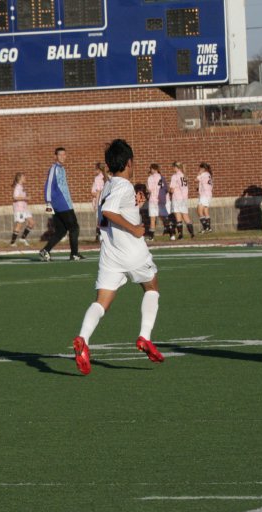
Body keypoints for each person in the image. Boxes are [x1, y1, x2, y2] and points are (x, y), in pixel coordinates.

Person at [72, 139, 164, 376]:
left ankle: (83, 339)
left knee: (101, 302)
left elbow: (113, 209)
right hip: (131, 250)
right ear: (129, 162)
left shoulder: (108, 186)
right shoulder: (124, 186)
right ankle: (145, 336)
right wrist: (134, 229)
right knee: (151, 286)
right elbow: (109, 211)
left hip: (110, 254)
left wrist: (135, 206)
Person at [39, 147, 84, 261]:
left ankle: (45, 250)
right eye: (60, 155)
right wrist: (48, 202)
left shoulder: (62, 169)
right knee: (74, 227)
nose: (63, 156)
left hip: (65, 203)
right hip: (61, 204)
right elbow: (48, 185)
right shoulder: (54, 169)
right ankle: (74, 254)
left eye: (64, 154)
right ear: (55, 156)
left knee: (61, 231)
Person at [145, 163, 172, 241]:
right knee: (164, 218)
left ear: (153, 169)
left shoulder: (150, 178)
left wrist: (146, 186)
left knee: (152, 219)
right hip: (161, 200)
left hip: (153, 200)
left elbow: (149, 190)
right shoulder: (162, 177)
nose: (150, 170)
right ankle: (172, 234)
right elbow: (166, 189)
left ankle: (151, 237)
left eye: (151, 168)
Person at [169, 162, 194, 239]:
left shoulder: (174, 176)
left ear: (176, 167)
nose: (173, 168)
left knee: (178, 217)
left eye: (173, 167)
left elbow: (172, 190)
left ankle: (180, 235)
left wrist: (169, 191)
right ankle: (192, 234)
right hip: (184, 198)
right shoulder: (184, 175)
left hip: (177, 198)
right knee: (185, 216)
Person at [9, 172, 35, 246]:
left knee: (32, 223)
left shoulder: (21, 187)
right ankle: (12, 242)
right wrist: (26, 198)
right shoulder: (17, 187)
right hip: (19, 209)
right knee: (19, 225)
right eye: (24, 177)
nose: (25, 178)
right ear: (20, 178)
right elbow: (15, 197)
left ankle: (23, 238)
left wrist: (26, 198)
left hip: (25, 208)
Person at [90, 162, 108, 242]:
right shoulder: (107, 177)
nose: (94, 171)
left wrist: (96, 205)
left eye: (95, 169)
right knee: (103, 219)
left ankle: (100, 236)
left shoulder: (98, 178)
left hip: (100, 201)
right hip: (106, 201)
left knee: (100, 220)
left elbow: (98, 192)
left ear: (99, 170)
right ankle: (102, 236)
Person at [196, 163, 213, 234]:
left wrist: (199, 173)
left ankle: (205, 228)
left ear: (203, 169)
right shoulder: (209, 174)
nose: (199, 169)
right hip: (208, 194)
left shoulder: (203, 174)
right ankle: (209, 228)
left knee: (199, 211)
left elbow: (195, 180)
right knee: (205, 211)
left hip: (204, 195)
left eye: (200, 168)